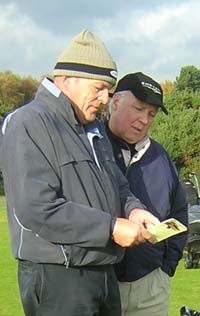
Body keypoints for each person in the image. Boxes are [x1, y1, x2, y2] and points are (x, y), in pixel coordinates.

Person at [0, 31, 159, 316]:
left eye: (108, 91)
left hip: (103, 272)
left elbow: (118, 185)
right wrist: (111, 228)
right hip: (59, 278)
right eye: (98, 87)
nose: (104, 98)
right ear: (66, 78)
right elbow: (36, 208)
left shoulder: (92, 126)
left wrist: (133, 210)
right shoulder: (28, 122)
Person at [106, 72, 188, 316]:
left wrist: (167, 268)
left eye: (151, 114)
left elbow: (179, 211)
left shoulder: (161, 157)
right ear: (116, 101)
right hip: (100, 284)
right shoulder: (90, 146)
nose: (144, 119)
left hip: (151, 286)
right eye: (138, 108)